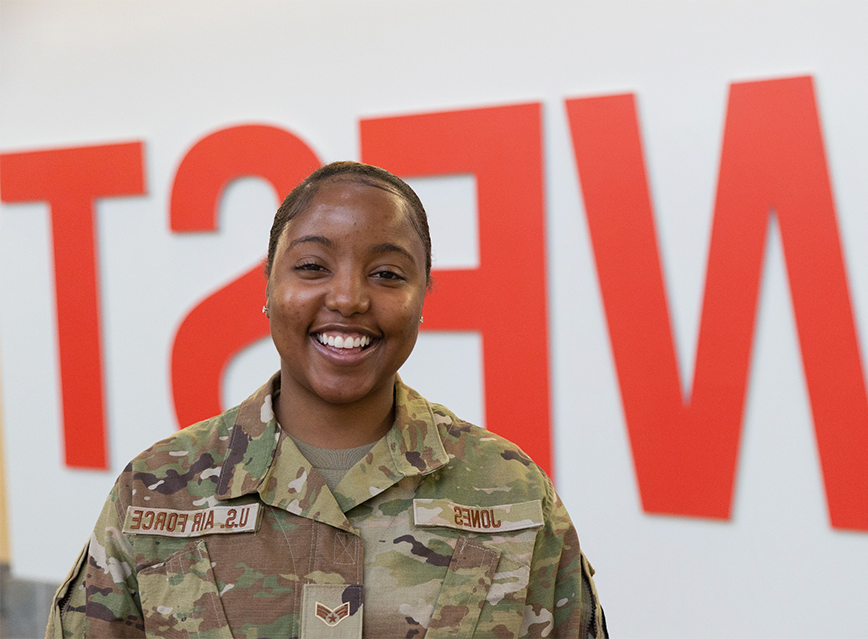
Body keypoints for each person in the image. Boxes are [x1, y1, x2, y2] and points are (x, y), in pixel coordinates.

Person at [46, 161, 608, 639]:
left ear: (422, 298)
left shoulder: (513, 495)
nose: (348, 297)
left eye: (387, 274)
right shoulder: (156, 494)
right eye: (313, 267)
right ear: (268, 285)